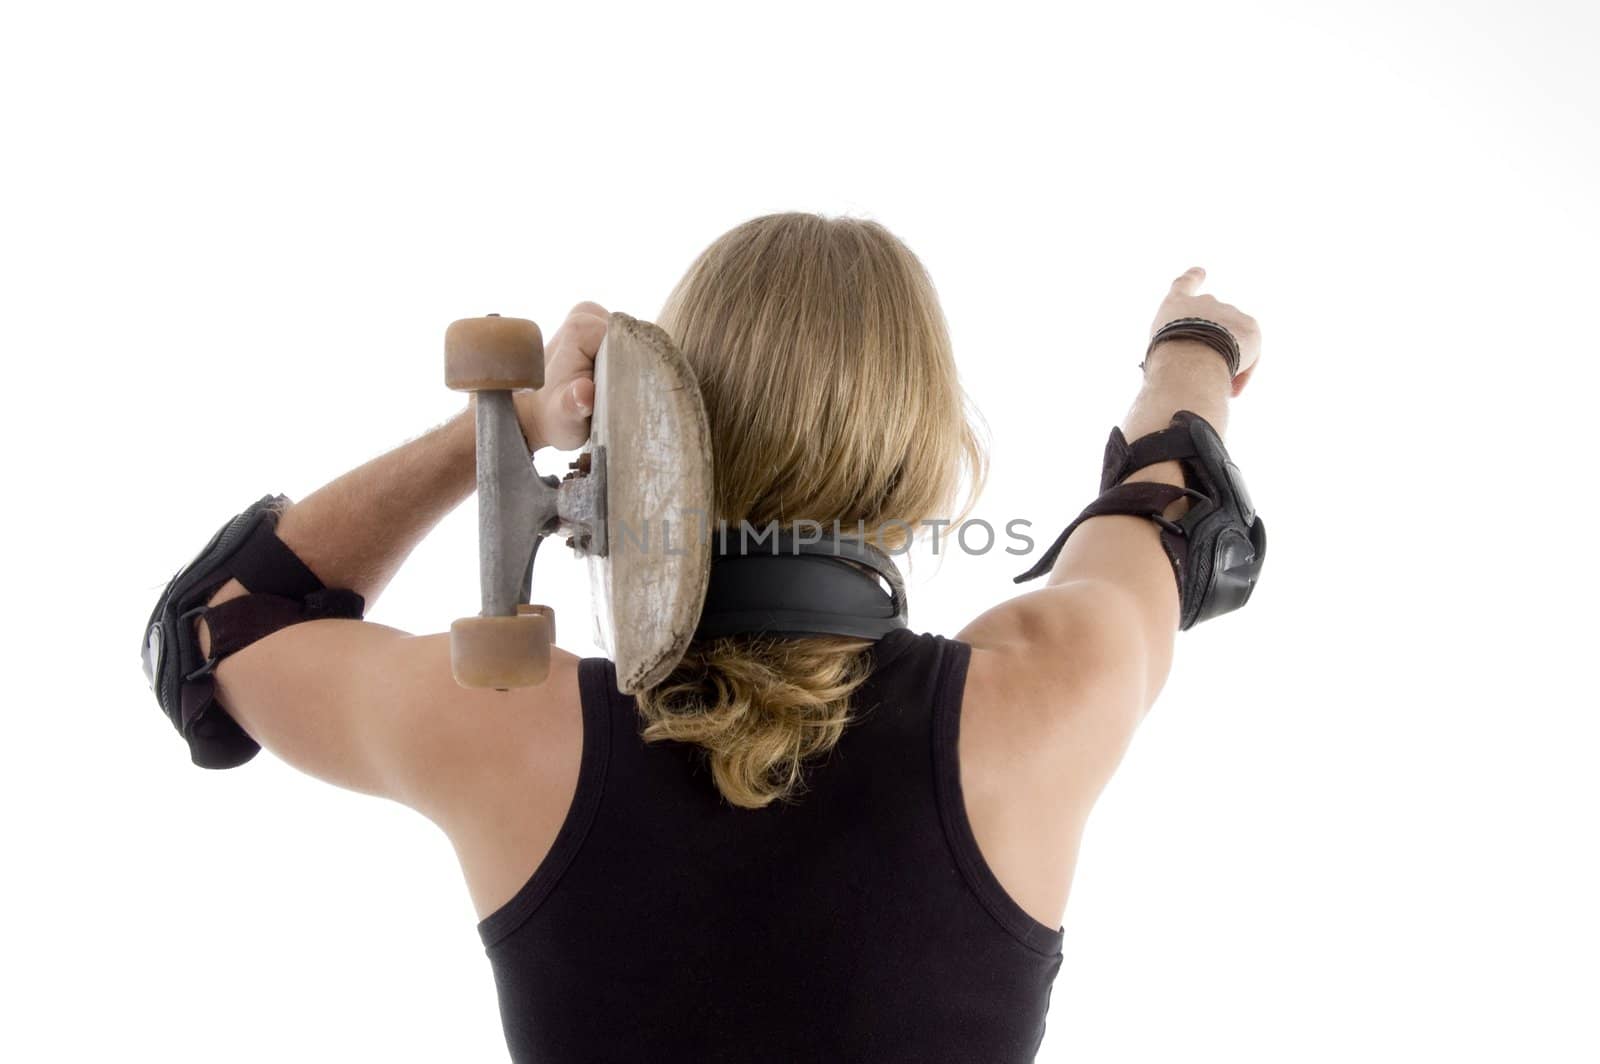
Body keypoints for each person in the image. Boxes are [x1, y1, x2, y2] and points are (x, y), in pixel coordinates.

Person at [140, 212, 1261, 1063]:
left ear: (656, 415)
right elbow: (1173, 501)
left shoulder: (507, 723)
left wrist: (506, 424)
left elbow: (219, 622)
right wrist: (1192, 341)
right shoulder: (1045, 696)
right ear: (927, 438)